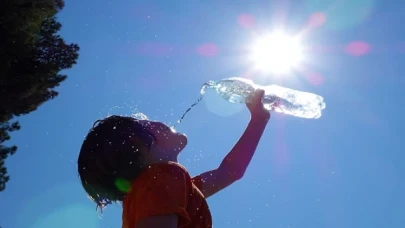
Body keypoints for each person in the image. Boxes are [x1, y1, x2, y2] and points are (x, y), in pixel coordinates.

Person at [77, 89, 270, 228]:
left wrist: (259, 119)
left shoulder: (166, 190)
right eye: (145, 123)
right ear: (138, 146)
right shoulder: (163, 178)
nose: (155, 121)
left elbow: (230, 172)